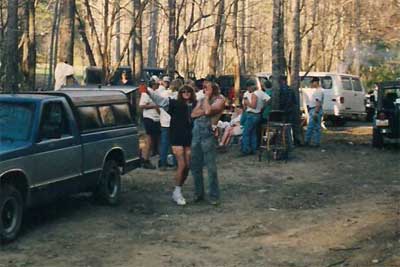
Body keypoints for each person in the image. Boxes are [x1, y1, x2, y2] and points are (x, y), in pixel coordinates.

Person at [146, 84, 197, 205]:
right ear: (180, 93)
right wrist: (148, 91)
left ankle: (178, 189)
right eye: (183, 91)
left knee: (188, 166)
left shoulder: (195, 104)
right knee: (182, 164)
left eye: (188, 91)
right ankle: (177, 192)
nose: (186, 92)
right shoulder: (173, 103)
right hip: (176, 137)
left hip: (189, 137)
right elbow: (159, 99)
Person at [191, 81, 225, 205]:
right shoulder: (201, 99)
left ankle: (214, 195)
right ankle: (199, 194)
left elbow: (209, 112)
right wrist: (204, 108)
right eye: (203, 87)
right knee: (195, 165)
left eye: (207, 87)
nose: (204, 89)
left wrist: (206, 99)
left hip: (208, 134)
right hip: (196, 133)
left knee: (211, 167)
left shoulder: (220, 99)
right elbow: (193, 113)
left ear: (214, 88)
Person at [241, 79, 269, 155]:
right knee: (253, 133)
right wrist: (263, 107)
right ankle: (254, 148)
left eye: (248, 87)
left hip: (252, 114)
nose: (248, 89)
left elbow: (253, 106)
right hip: (258, 115)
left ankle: (246, 149)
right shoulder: (261, 93)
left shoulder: (254, 94)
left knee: (246, 133)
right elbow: (268, 100)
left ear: (251, 87)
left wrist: (247, 103)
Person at [139, 76, 161, 169]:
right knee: (149, 140)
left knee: (152, 141)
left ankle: (145, 157)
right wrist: (153, 106)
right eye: (156, 84)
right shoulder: (146, 93)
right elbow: (141, 105)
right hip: (149, 118)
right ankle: (145, 159)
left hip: (156, 118)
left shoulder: (155, 92)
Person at [304, 77, 324, 147]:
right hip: (314, 109)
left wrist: (316, 112)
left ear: (316, 82)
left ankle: (307, 141)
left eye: (312, 82)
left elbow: (318, 102)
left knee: (311, 127)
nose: (312, 84)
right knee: (316, 127)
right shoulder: (318, 91)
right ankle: (315, 142)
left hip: (315, 110)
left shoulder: (318, 91)